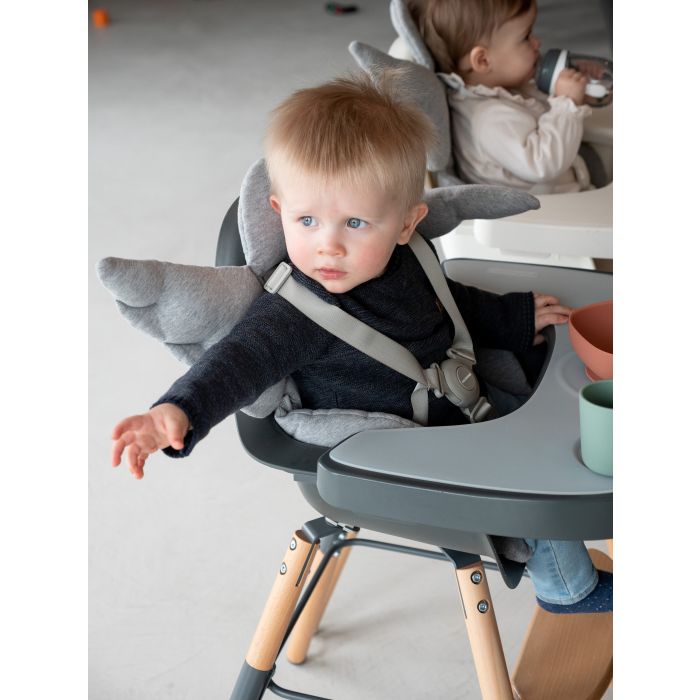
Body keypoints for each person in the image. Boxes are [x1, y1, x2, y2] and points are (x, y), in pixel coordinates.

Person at [111, 75, 611, 613]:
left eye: (354, 222)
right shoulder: (294, 313)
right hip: (403, 453)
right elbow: (238, 362)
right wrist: (178, 410)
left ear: (406, 224)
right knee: (530, 478)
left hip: (460, 404)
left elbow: (447, 304)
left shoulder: (408, 257)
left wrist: (514, 316)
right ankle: (567, 589)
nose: (328, 246)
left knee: (570, 429)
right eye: (306, 220)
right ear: (278, 210)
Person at [410, 0, 595, 193]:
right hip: (549, 208)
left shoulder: (501, 86)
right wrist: (567, 103)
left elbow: (539, 104)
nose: (537, 42)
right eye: (526, 37)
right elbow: (543, 164)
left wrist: (579, 86)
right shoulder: (488, 119)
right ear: (483, 60)